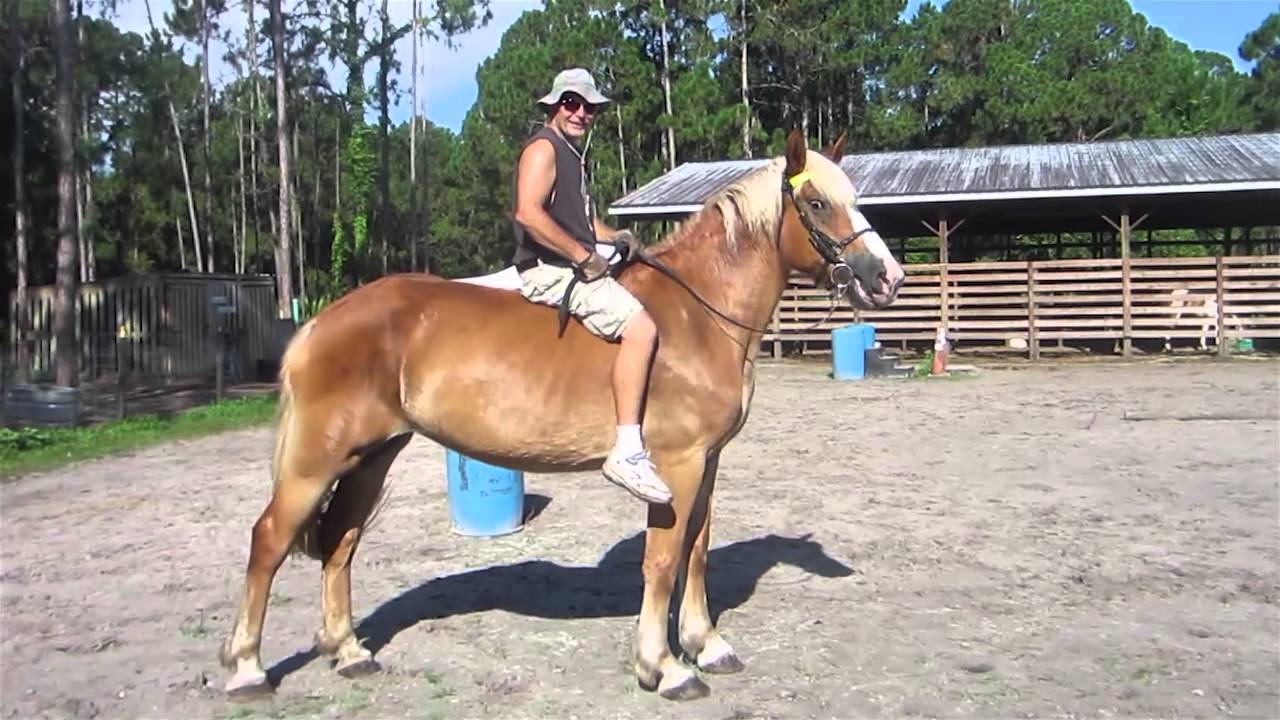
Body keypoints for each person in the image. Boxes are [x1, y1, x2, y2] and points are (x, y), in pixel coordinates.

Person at [510, 67, 672, 506]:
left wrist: (613, 236)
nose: (581, 112)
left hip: (568, 260)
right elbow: (528, 213)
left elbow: (581, 225)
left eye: (589, 107)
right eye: (571, 103)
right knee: (643, 329)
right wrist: (584, 257)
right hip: (548, 269)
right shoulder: (544, 148)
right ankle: (626, 449)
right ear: (554, 106)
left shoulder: (572, 154)